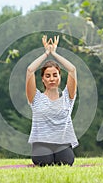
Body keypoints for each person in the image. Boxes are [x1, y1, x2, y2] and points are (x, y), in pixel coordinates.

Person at [25, 35, 78, 166]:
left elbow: (72, 69)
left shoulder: (68, 96)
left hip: (62, 143)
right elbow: (30, 70)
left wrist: (54, 53)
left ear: (60, 77)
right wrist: (46, 53)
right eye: (47, 76)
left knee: (66, 162)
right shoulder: (35, 97)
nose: (52, 78)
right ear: (42, 79)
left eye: (55, 75)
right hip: (41, 143)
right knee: (45, 162)